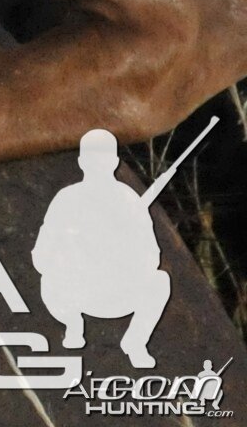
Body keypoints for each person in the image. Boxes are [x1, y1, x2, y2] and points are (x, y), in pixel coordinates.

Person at [33, 126, 175, 368]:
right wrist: (71, 250)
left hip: (118, 292)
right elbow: (41, 255)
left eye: (103, 158)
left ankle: (135, 342)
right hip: (76, 290)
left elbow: (152, 255)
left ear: (114, 162)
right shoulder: (67, 199)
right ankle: (73, 325)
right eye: (92, 158)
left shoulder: (130, 201)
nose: (98, 164)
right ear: (81, 162)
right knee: (48, 282)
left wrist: (123, 253)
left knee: (160, 282)